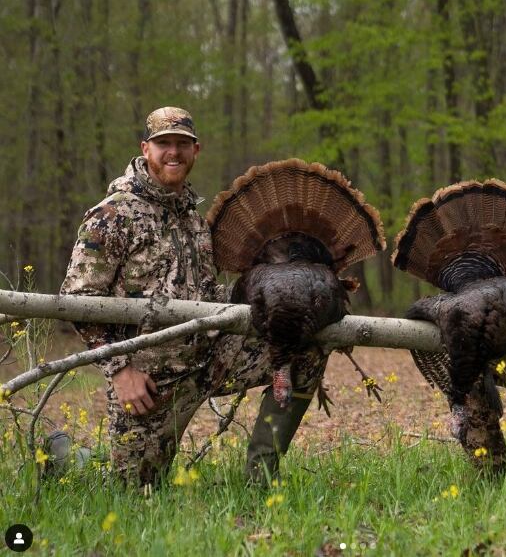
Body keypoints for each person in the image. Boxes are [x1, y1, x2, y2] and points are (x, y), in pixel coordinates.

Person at [58, 106, 328, 487]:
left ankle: (260, 480)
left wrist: (275, 288)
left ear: (196, 150)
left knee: (303, 350)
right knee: (132, 492)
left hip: (208, 360)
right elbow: (76, 301)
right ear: (145, 148)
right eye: (163, 144)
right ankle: (64, 456)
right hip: (149, 382)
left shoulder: (193, 219)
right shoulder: (112, 216)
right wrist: (120, 372)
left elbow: (204, 293)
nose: (173, 153)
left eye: (182, 144)